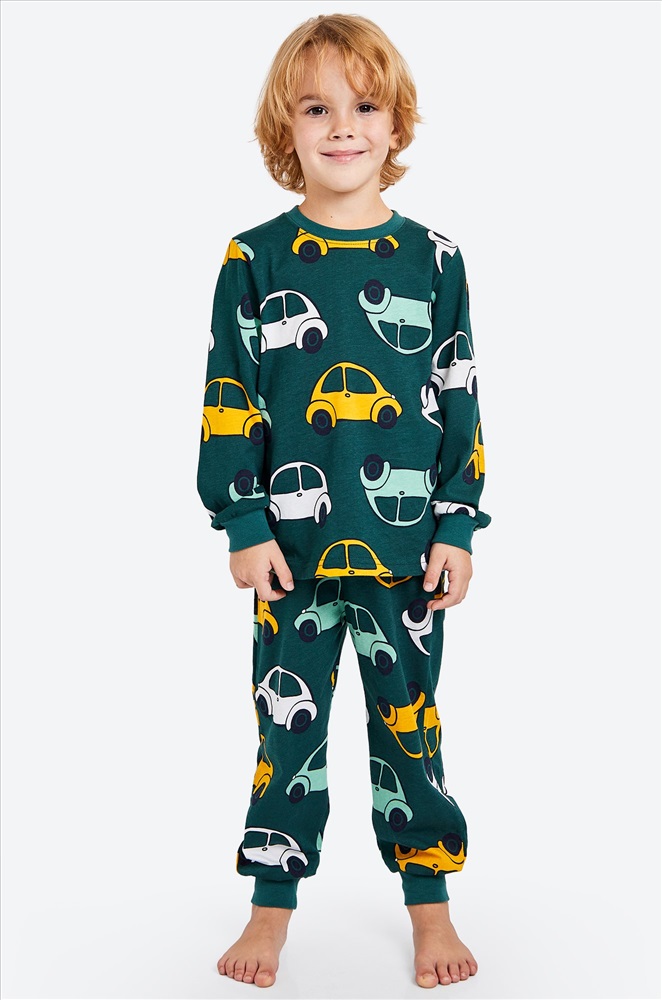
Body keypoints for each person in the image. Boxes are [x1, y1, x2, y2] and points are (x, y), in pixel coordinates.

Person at [196, 12, 491, 989]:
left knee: (411, 729)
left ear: (396, 124)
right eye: (315, 108)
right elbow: (229, 395)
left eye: (363, 107)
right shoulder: (255, 260)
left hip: (407, 557)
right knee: (286, 734)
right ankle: (270, 906)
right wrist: (242, 521)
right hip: (290, 555)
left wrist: (457, 522)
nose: (342, 127)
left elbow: (457, 393)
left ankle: (430, 906)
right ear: (284, 128)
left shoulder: (434, 261)